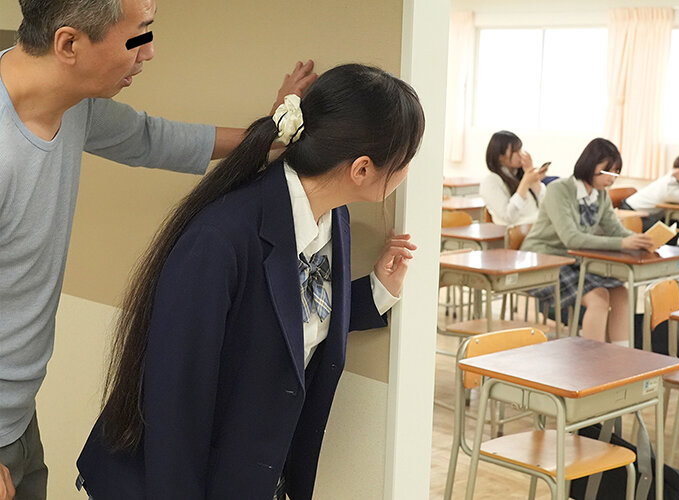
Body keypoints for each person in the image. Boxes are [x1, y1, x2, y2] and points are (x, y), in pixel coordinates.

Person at [0, 0, 315, 497]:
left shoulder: (71, 105)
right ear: (69, 44)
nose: (148, 52)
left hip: (17, 415)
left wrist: (271, 134)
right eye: (139, 34)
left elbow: (151, 137)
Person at [76, 63, 425, 500]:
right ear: (362, 169)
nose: (409, 169)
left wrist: (376, 290)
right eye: (406, 159)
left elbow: (279, 324)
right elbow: (174, 403)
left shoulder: (335, 218)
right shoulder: (221, 239)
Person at [520, 138, 652, 343]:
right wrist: (622, 244)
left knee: (621, 293)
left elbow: (614, 229)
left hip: (574, 260)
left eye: (616, 172)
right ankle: (591, 358)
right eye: (607, 171)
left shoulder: (600, 195)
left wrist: (638, 240)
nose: (611, 178)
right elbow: (571, 238)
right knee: (598, 298)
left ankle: (621, 355)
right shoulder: (559, 190)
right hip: (543, 260)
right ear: (590, 165)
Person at [479, 130, 549, 226]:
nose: (521, 155)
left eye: (520, 149)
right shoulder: (491, 181)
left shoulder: (519, 175)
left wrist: (533, 178)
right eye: (516, 151)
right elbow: (509, 217)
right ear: (500, 157)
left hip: (536, 227)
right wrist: (525, 183)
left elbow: (546, 205)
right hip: (517, 230)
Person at [621, 151, 679, 231]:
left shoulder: (676, 180)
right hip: (633, 214)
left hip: (646, 214)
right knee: (669, 235)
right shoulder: (670, 189)